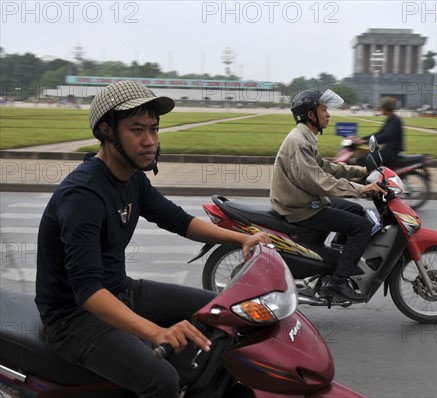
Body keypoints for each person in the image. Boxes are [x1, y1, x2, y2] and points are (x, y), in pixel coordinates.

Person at [35, 80, 270, 397]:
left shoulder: (132, 178)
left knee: (225, 313)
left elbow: (177, 219)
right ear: (107, 131)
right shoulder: (83, 195)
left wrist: (241, 239)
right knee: (162, 381)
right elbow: (88, 291)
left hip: (121, 290)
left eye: (154, 129)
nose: (150, 141)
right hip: (73, 319)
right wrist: (156, 332)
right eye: (137, 130)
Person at [270, 89, 386, 302]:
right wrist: (360, 189)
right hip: (300, 208)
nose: (328, 114)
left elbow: (324, 167)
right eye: (324, 109)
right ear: (310, 114)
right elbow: (319, 181)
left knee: (357, 210)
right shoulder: (299, 142)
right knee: (362, 227)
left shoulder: (305, 137)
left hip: (305, 200)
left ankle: (338, 260)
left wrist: (358, 171)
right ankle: (337, 282)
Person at [352, 96, 404, 167]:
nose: (380, 109)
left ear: (386, 108)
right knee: (365, 156)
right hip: (387, 150)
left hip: (391, 152)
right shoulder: (391, 119)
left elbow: (385, 136)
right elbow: (379, 133)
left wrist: (365, 141)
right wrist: (362, 139)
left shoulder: (394, 121)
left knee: (365, 159)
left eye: (381, 107)